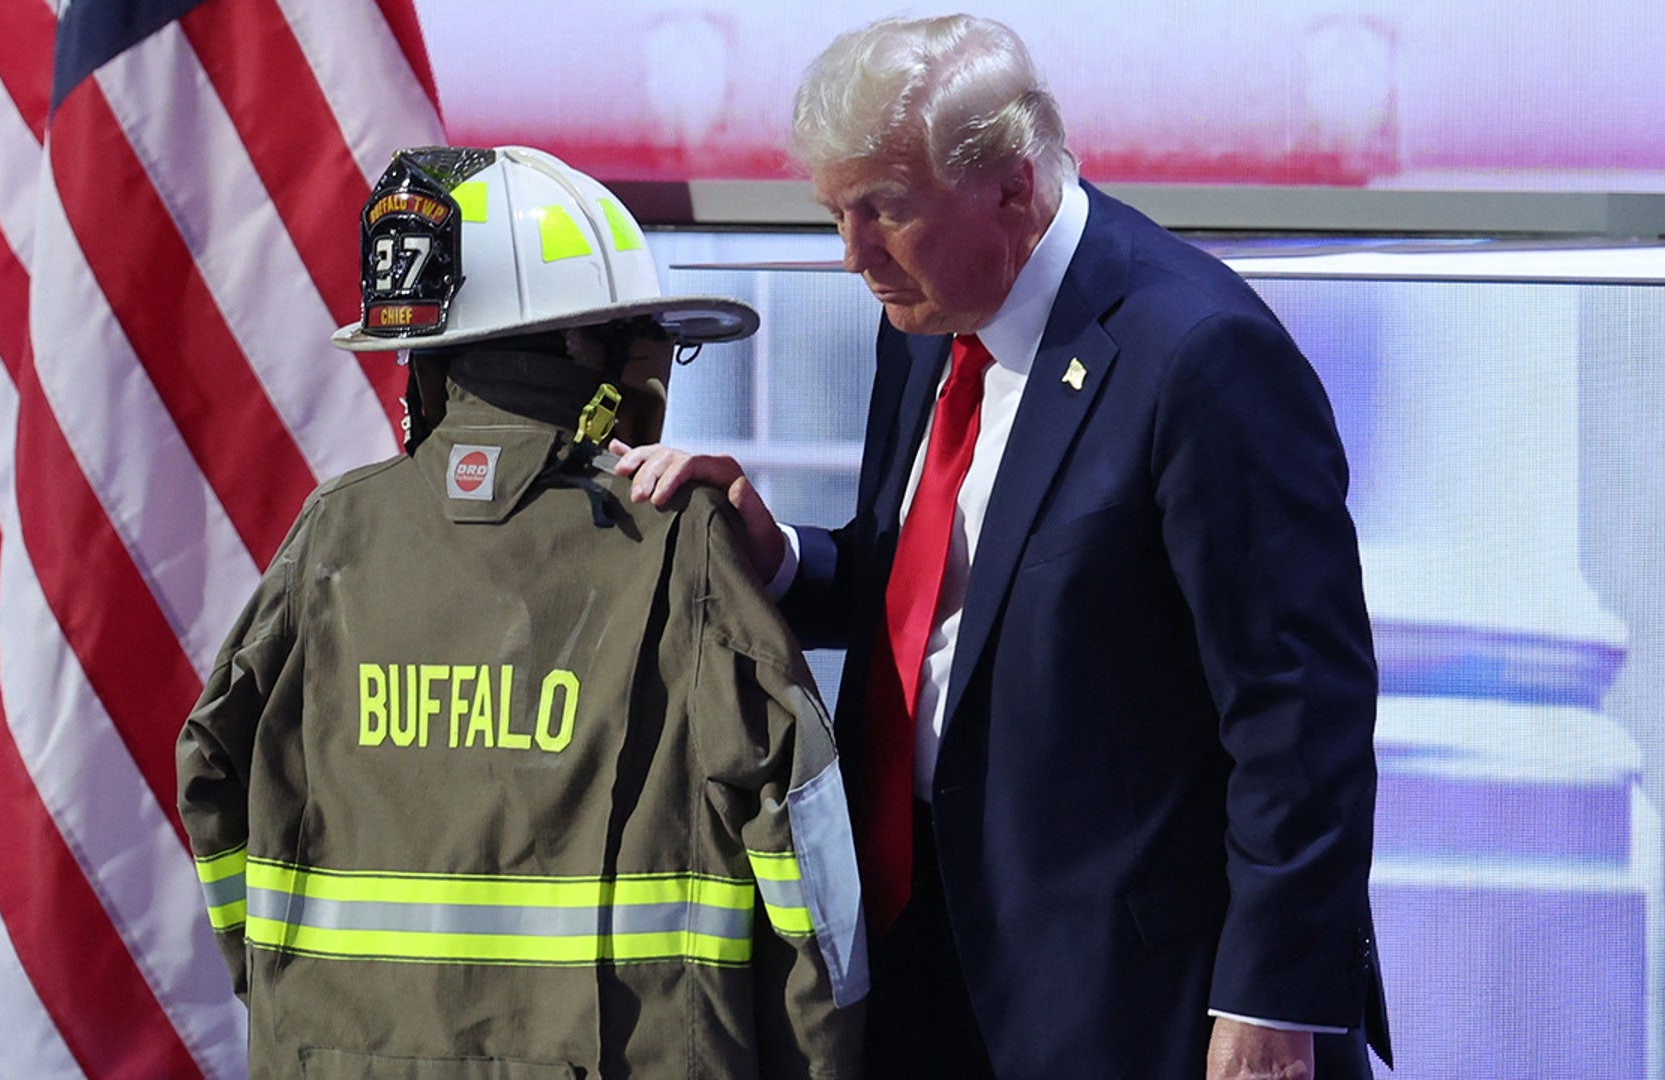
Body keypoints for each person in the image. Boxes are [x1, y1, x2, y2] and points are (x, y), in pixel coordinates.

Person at [614, 15, 1390, 1080]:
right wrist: (783, 557)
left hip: (1134, 997)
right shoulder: (927, 318)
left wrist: (1272, 1002)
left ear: (1013, 190)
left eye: (883, 209)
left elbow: (1303, 715)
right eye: (834, 213)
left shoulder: (1202, 357)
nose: (852, 255)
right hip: (918, 949)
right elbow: (939, 595)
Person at [177, 145, 866, 1079]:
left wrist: (285, 989)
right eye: (648, 337)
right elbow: (806, 831)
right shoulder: (676, 539)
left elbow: (210, 766)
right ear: (586, 347)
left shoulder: (332, 534)